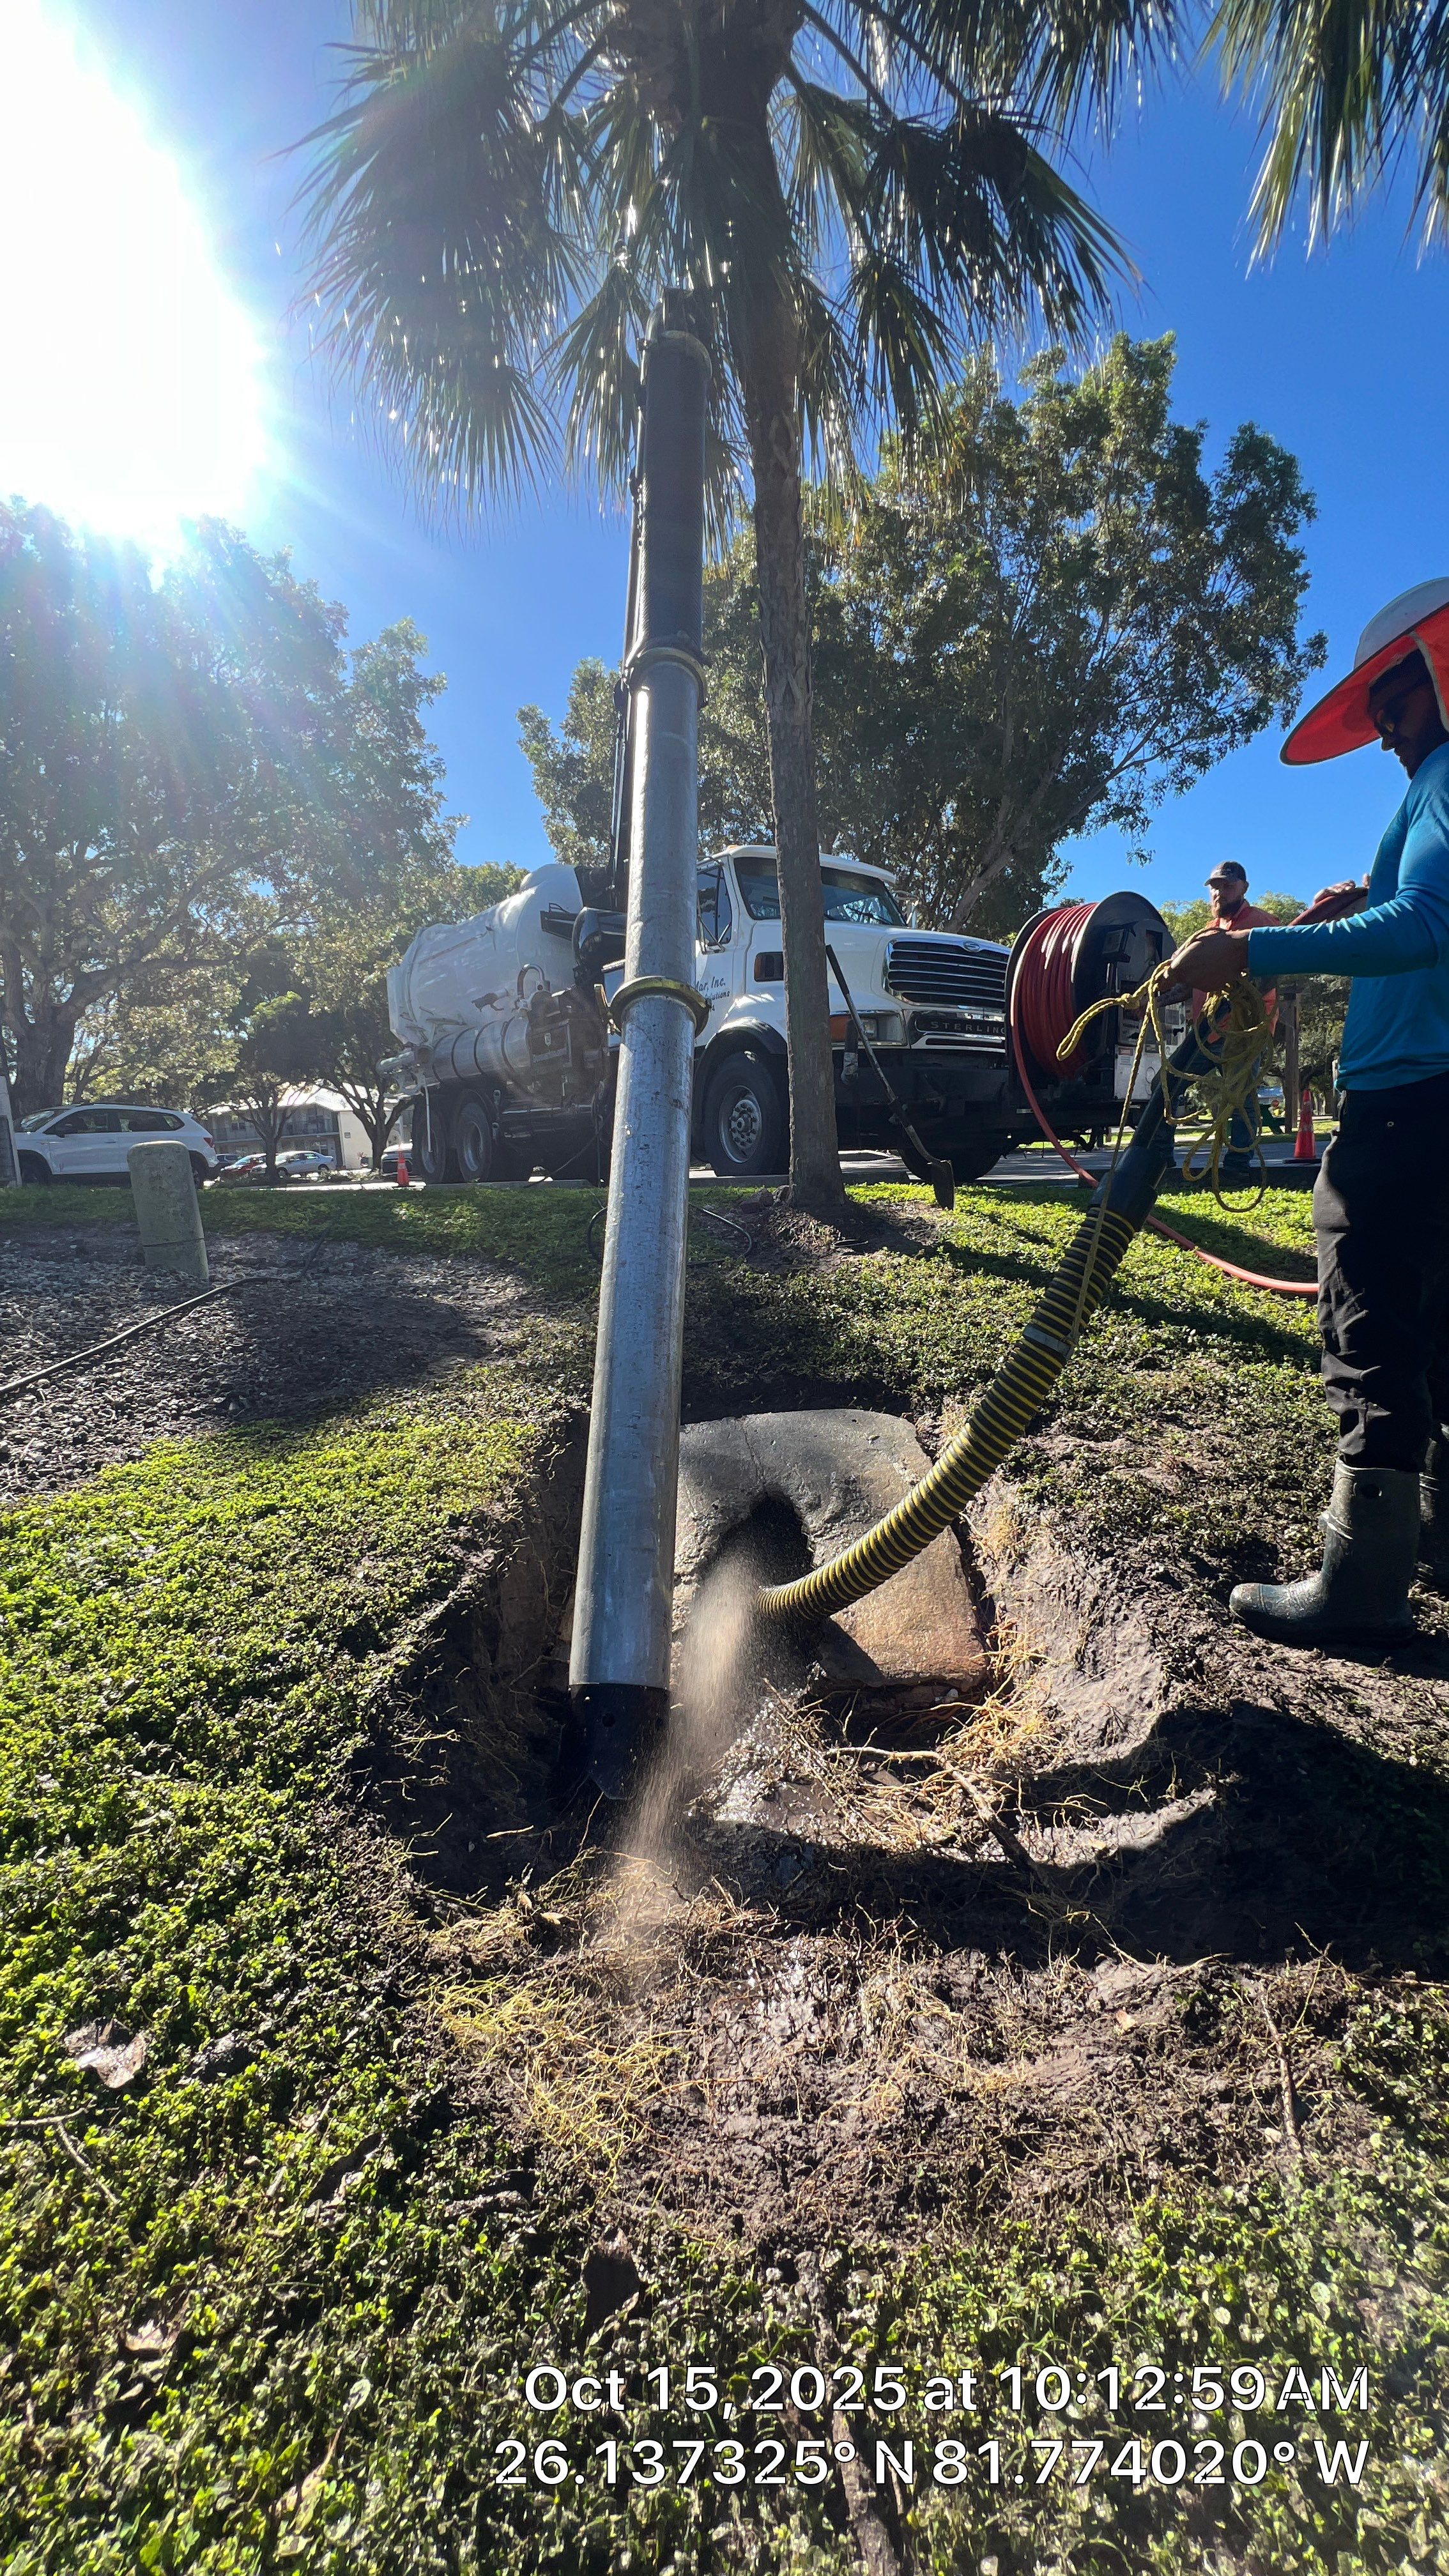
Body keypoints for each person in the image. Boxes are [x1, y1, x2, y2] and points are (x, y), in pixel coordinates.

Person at [1169, 575, 1449, 1648]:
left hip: (1403, 1109)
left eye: (1397, 697)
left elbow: (1424, 925)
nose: (1381, 725)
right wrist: (1349, 906)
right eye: (1375, 705)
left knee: (1371, 1314)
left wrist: (1254, 946)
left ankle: (1359, 1587)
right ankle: (1435, 1541)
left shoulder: (1438, 783)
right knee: (1435, 1322)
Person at [1190, 864, 1278, 1175]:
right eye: (1214, 886)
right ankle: (1158, 1156)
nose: (1218, 892)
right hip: (1207, 1030)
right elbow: (1196, 979)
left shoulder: (1261, 923)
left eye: (1226, 885)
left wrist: (1235, 1000)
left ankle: (1237, 1166)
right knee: (1170, 1084)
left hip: (1243, 1031)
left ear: (1244, 888)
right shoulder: (1209, 931)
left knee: (1241, 1096)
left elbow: (1269, 976)